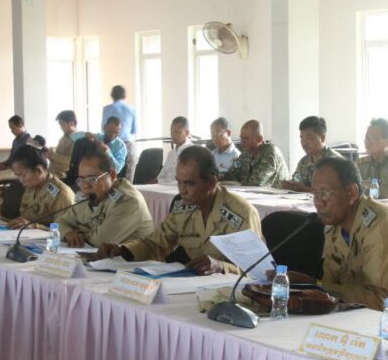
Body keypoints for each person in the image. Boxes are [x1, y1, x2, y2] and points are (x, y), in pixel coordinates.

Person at [285, 157, 388, 322]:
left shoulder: (382, 223)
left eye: (324, 193)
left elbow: (378, 301)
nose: (318, 203)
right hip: (355, 318)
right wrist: (304, 288)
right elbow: (331, 287)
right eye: (315, 194)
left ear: (351, 193)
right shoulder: (334, 226)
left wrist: (316, 285)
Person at [96, 146, 261, 275]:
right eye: (179, 182)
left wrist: (221, 267)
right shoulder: (183, 208)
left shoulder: (241, 213)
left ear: (211, 182)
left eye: (190, 183)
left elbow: (258, 270)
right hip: (194, 286)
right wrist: (123, 250)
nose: (182, 190)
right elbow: (156, 244)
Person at [59, 147, 154, 248]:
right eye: (81, 180)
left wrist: (78, 233)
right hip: (98, 255)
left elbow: (99, 242)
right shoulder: (90, 196)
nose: (85, 186)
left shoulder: (128, 201)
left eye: (92, 179)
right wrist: (68, 233)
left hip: (131, 257)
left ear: (112, 175)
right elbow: (60, 222)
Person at [6, 145, 75, 230]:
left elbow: (64, 231)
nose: (21, 180)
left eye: (23, 175)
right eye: (18, 176)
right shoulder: (31, 187)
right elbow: (25, 217)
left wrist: (35, 226)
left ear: (38, 170)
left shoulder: (61, 194)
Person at [219, 119, 290, 187]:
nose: (242, 142)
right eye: (241, 138)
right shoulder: (247, 153)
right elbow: (231, 174)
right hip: (255, 193)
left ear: (259, 139)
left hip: (280, 194)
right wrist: (217, 177)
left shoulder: (270, 152)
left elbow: (257, 183)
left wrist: (240, 182)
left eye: (246, 138)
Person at [280, 116, 341, 192]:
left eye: (309, 138)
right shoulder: (304, 161)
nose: (304, 144)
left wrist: (304, 189)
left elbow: (334, 193)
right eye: (302, 138)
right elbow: (296, 180)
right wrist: (290, 185)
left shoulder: (335, 162)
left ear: (322, 138)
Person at [102, 85, 138, 182]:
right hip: (128, 144)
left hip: (111, 145)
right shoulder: (132, 109)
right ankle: (128, 187)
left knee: (109, 172)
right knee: (129, 174)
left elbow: (103, 128)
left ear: (112, 95)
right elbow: (134, 130)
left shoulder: (106, 109)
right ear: (124, 96)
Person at [156, 116, 192, 185]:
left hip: (177, 187)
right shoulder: (171, 153)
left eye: (177, 132)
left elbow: (184, 179)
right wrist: (156, 181)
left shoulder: (193, 151)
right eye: (171, 132)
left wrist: (160, 182)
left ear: (187, 133)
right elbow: (161, 175)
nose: (173, 135)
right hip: (162, 186)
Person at [49, 110, 83, 179]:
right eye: (60, 124)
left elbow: (70, 161)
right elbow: (57, 155)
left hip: (63, 176)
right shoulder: (63, 138)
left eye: (62, 124)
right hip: (52, 172)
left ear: (71, 124)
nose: (60, 127)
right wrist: (50, 154)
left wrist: (53, 155)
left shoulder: (78, 140)